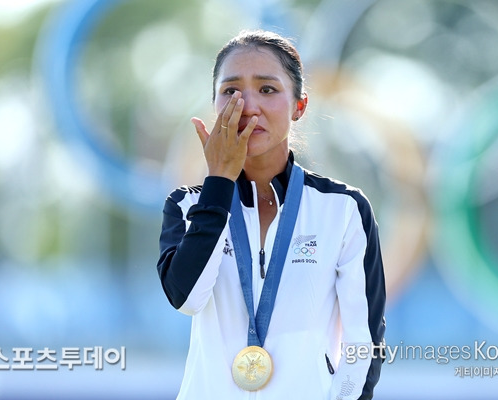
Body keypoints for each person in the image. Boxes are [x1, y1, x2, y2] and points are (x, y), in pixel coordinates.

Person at [157, 29, 386, 399]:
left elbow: (364, 343)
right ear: (214, 105)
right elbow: (187, 299)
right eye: (230, 91)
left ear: (299, 105)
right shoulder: (187, 206)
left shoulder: (343, 209)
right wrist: (219, 183)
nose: (248, 105)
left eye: (267, 89)